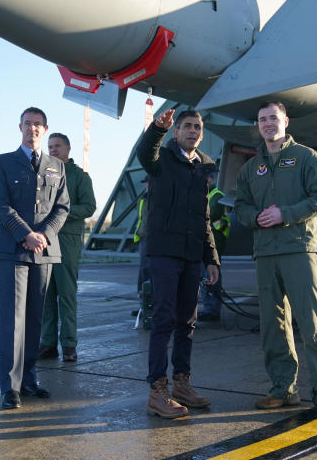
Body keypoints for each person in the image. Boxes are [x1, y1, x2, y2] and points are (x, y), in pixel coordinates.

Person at [234, 101, 317, 417]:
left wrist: (285, 214)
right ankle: (283, 390)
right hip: (266, 253)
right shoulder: (251, 168)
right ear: (259, 124)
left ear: (285, 122)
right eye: (263, 119)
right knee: (273, 326)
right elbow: (240, 206)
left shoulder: (306, 157)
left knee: (313, 325)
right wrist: (256, 218)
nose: (268, 123)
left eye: (273, 118)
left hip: (299, 250)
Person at [137, 108, 220, 419]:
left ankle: (182, 383)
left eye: (197, 127)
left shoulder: (203, 168)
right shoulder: (162, 160)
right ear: (176, 132)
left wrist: (210, 258)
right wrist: (156, 129)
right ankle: (157, 391)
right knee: (164, 319)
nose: (193, 131)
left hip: (190, 254)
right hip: (163, 253)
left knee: (187, 322)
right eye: (187, 126)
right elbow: (144, 152)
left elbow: (205, 217)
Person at [0, 107, 70, 409]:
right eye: (28, 124)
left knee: (36, 319)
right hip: (14, 249)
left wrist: (45, 235)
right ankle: (10, 387)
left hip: (44, 251)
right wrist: (26, 234)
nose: (32, 129)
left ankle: (29, 379)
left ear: (45, 129)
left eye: (38, 124)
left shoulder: (56, 166)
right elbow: (1, 205)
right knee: (13, 320)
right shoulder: (3, 162)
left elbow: (62, 208)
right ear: (20, 127)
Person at [39, 132, 97, 362]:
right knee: (45, 294)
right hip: (44, 239)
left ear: (68, 148)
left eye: (57, 146)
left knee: (66, 294)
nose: (53, 150)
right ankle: (47, 343)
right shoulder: (43, 175)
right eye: (50, 147)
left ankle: (69, 345)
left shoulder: (79, 177)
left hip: (67, 239)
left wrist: (61, 214)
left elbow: (89, 206)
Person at [198, 173, 228, 322]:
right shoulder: (206, 195)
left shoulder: (217, 194)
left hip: (214, 242)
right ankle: (209, 307)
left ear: (209, 179)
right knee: (204, 276)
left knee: (210, 275)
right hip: (206, 241)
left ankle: (212, 309)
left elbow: (211, 214)